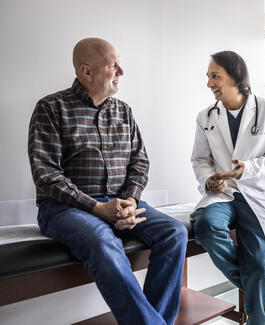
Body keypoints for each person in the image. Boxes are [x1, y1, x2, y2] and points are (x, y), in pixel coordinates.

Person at [28, 37, 187, 325]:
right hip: (64, 209)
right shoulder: (51, 108)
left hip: (120, 202)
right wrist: (98, 209)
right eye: (113, 65)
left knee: (174, 233)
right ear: (86, 72)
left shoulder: (123, 111)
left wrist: (130, 200)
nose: (121, 71)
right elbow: (46, 174)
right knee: (104, 240)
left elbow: (140, 162)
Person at [191, 51, 265, 325]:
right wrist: (208, 179)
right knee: (206, 227)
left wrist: (247, 168)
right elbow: (200, 159)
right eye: (208, 76)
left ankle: (258, 319)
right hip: (223, 194)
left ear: (236, 77)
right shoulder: (205, 116)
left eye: (215, 76)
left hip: (256, 195)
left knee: (258, 264)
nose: (209, 83)